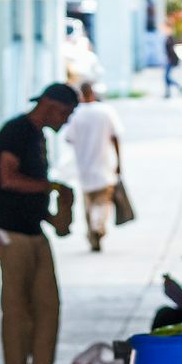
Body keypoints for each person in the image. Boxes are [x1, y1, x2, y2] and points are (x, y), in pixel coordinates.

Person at [0, 82, 77, 364]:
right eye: (65, 114)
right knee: (17, 312)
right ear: (51, 105)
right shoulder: (16, 131)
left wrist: (57, 214)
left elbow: (31, 190)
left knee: (47, 306)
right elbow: (7, 178)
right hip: (9, 232)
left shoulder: (37, 137)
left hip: (34, 229)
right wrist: (51, 185)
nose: (65, 122)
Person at [60, 83, 123, 253]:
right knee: (103, 202)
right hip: (104, 166)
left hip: (84, 168)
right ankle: (97, 227)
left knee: (89, 204)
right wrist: (119, 163)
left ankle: (93, 230)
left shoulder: (76, 115)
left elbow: (68, 138)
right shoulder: (105, 112)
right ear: (93, 94)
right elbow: (115, 137)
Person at [162, 29, 182, 97]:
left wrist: (170, 59)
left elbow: (171, 51)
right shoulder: (168, 38)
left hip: (170, 61)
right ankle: (168, 92)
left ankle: (178, 87)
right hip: (168, 61)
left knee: (166, 77)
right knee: (166, 78)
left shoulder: (170, 39)